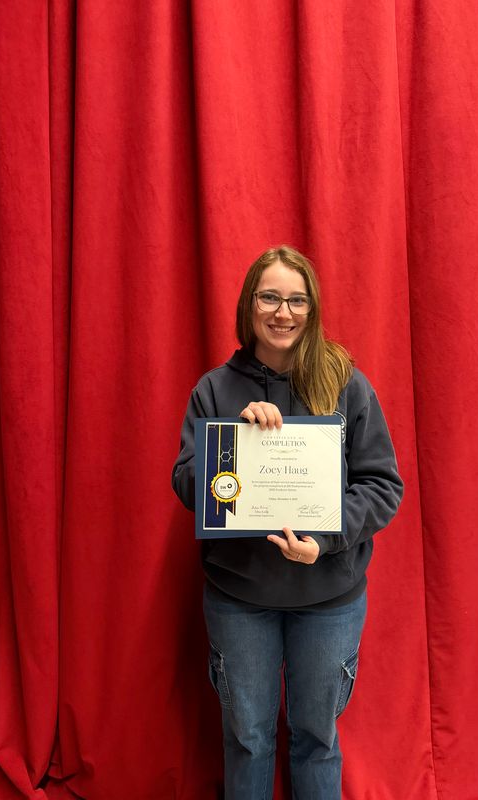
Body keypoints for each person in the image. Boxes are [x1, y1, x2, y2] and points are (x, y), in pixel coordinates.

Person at [172, 245, 403, 800]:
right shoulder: (215, 390)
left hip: (328, 599)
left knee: (316, 738)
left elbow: (383, 487)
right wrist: (232, 441)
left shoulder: (346, 384)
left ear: (312, 308)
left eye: (297, 300)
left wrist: (321, 540)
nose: (284, 312)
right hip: (240, 597)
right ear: (250, 305)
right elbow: (186, 485)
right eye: (270, 297)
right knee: (248, 739)